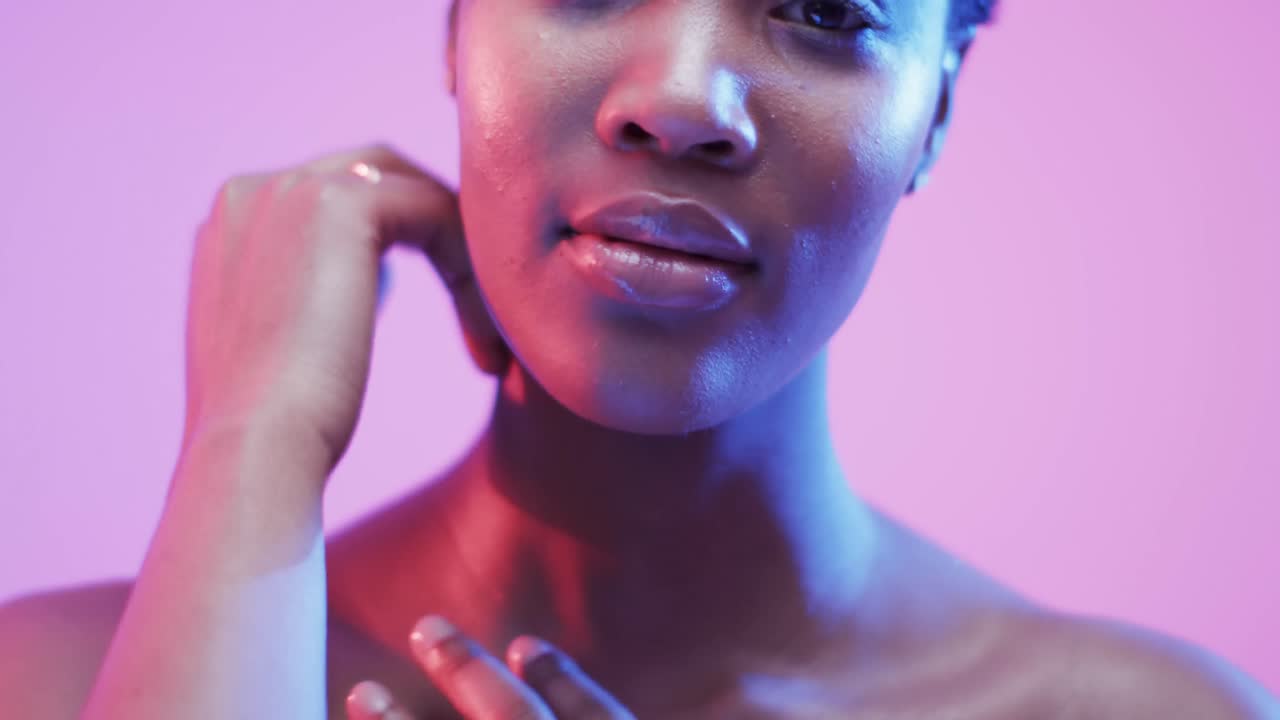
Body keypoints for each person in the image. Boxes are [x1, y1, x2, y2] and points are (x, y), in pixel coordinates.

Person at [1, 0, 1276, 717]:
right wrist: (251, 445)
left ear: (933, 108)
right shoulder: (56, 685)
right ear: (455, 30)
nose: (677, 99)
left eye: (826, 8)